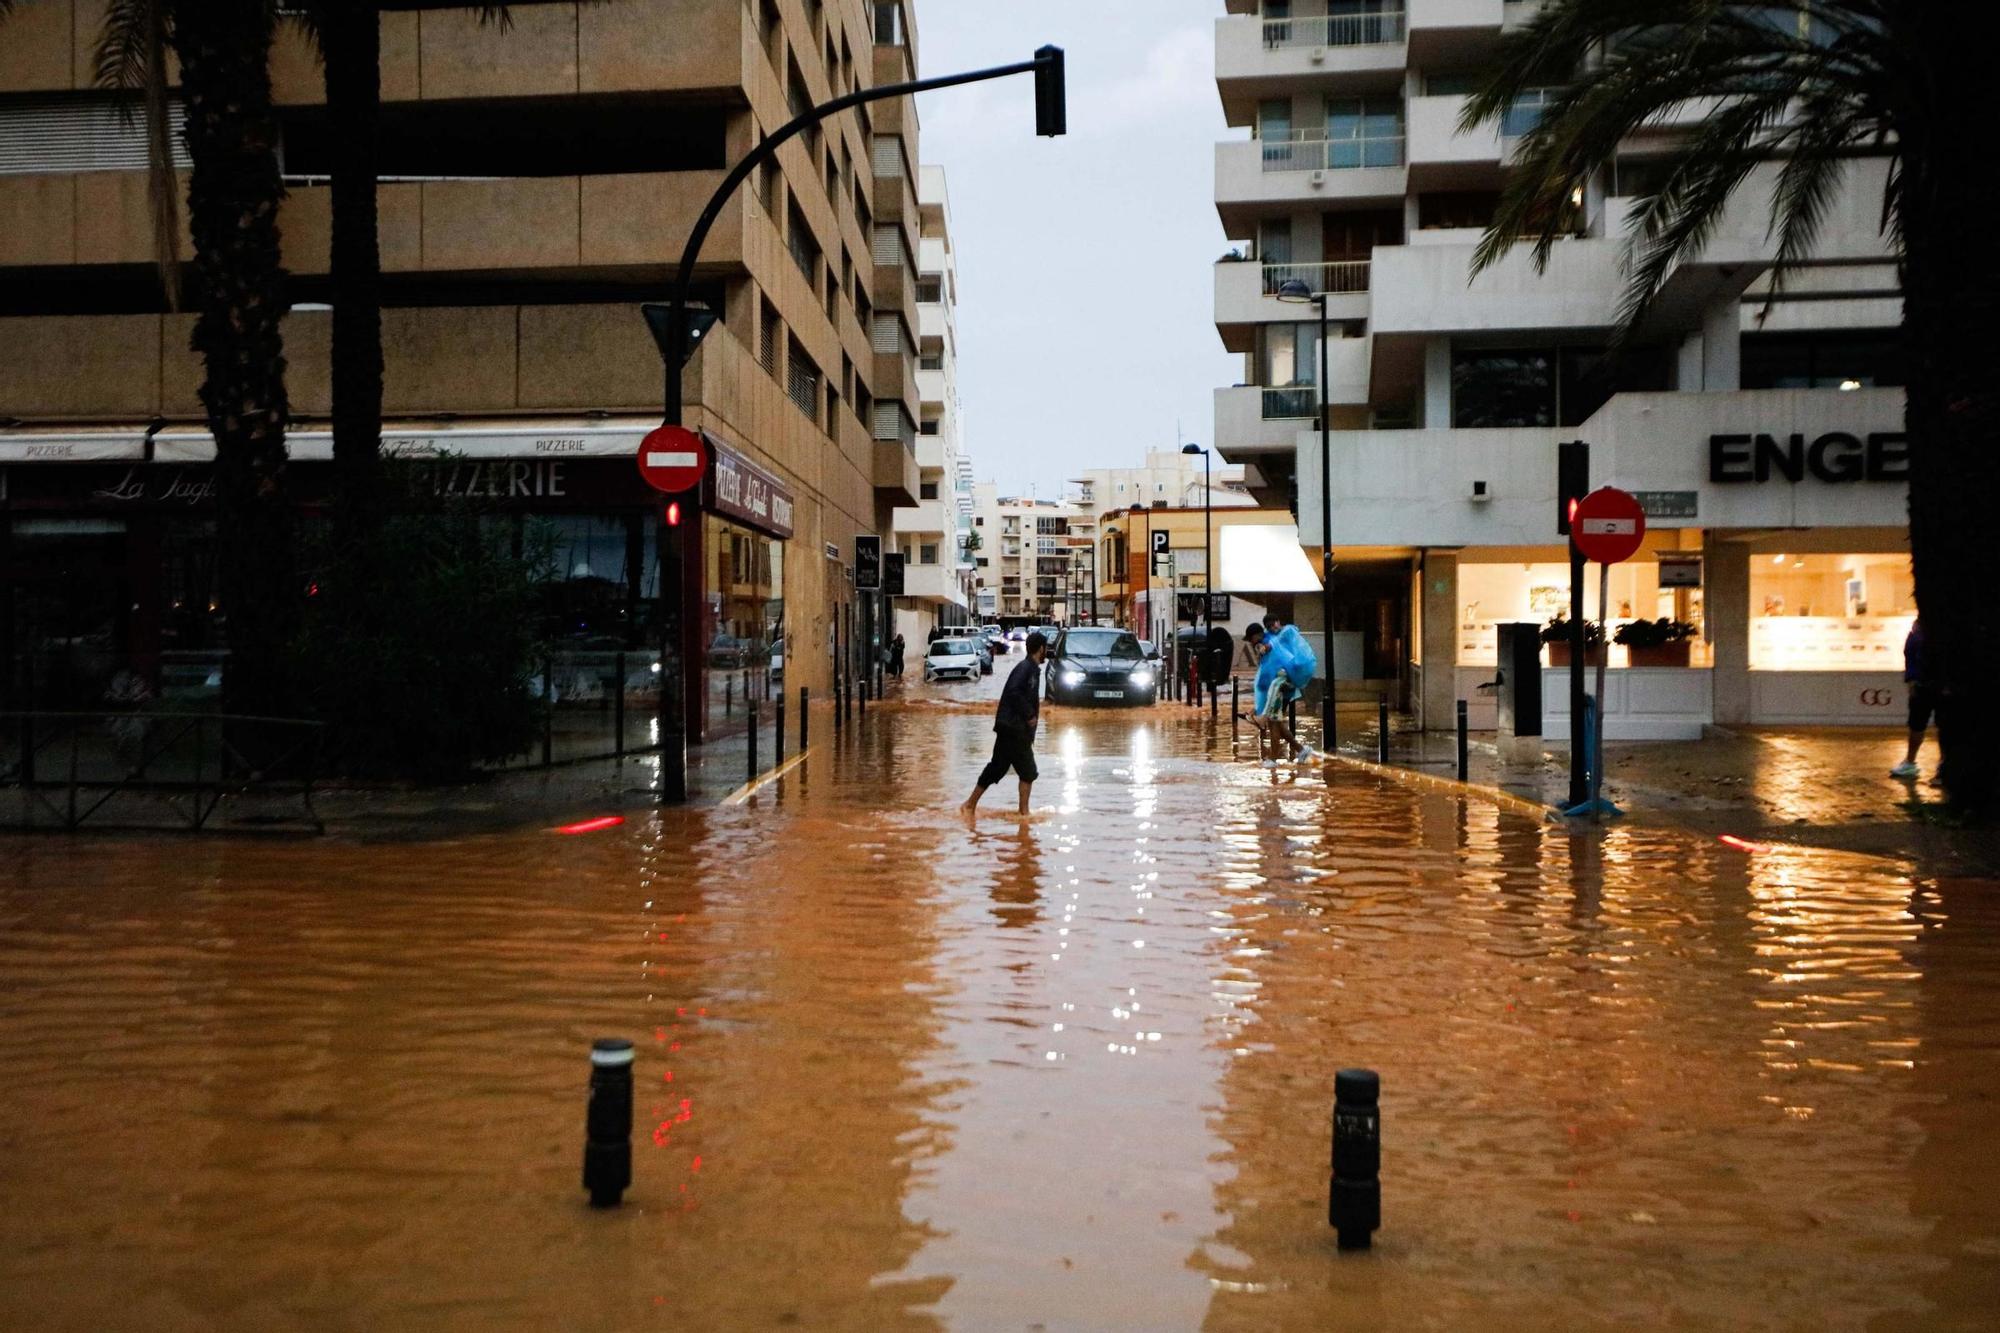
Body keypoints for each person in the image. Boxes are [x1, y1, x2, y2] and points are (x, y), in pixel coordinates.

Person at [963, 631, 1047, 818]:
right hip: (1015, 729)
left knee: (997, 767)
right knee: (1028, 771)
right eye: (1045, 648)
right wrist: (1029, 715)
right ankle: (1023, 813)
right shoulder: (1025, 668)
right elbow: (1014, 692)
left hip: (1011, 727)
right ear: (1041, 649)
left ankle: (969, 805)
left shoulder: (1030, 668)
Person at [1254, 624, 1316, 767]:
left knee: (1274, 724)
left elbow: (1269, 674)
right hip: (1280, 690)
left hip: (1278, 692)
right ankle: (1301, 750)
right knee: (1277, 725)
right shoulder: (1277, 644)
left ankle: (1273, 759)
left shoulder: (1273, 645)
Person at [1893, 618, 1938, 779]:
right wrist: (1912, 679)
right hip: (1923, 684)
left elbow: (1910, 654)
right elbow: (1910, 655)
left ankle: (1942, 766)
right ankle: (1910, 762)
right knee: (1917, 724)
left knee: (1924, 724)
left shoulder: (1920, 630)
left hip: (1930, 684)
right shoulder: (1918, 630)